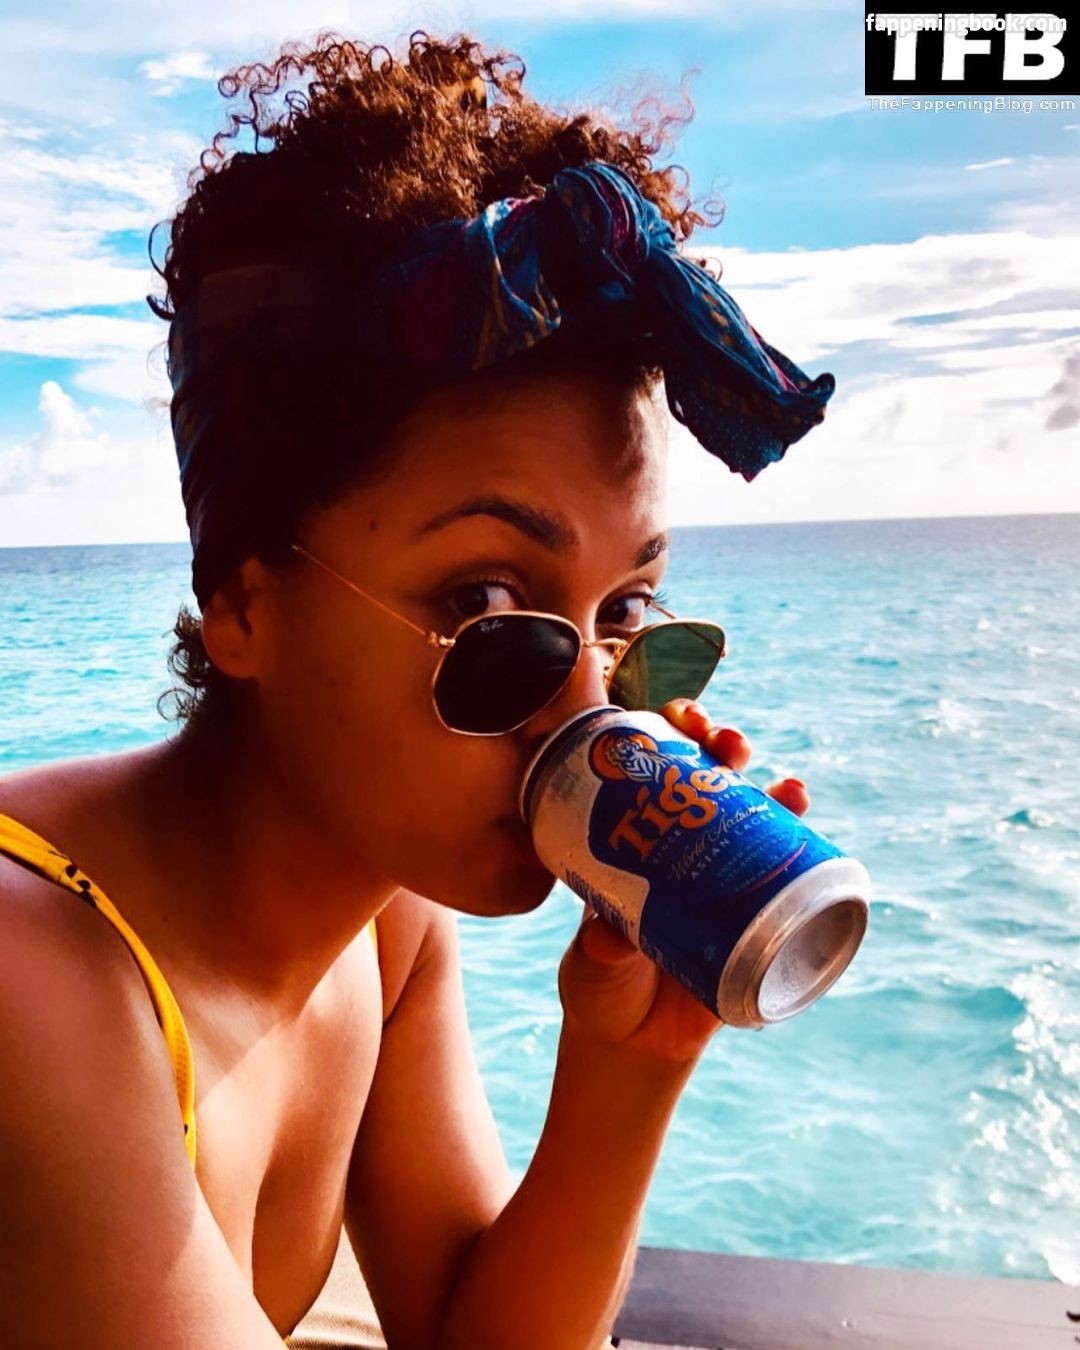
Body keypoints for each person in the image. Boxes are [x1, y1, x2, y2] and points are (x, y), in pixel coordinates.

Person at [0, 29, 826, 1349]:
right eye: (487, 610)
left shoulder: (385, 928)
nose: (592, 713)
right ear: (245, 603)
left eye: (627, 615)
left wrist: (628, 1066)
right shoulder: (33, 986)